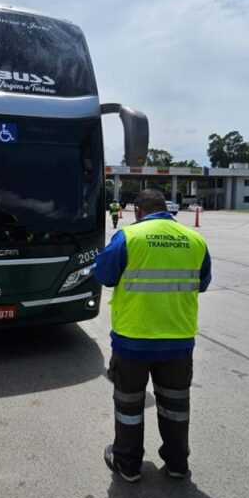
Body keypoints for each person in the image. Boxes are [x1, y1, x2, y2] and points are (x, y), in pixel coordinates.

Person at [93, 188, 211, 482]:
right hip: (178, 341)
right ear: (166, 209)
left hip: (134, 340)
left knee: (129, 405)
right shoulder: (195, 240)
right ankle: (176, 464)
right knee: (176, 405)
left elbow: (104, 275)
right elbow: (203, 283)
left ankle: (128, 464)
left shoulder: (129, 237)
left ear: (137, 210)